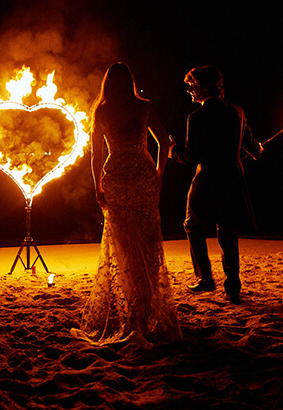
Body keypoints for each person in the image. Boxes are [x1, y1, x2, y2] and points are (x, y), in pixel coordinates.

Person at [72, 62, 182, 345]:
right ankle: (148, 307)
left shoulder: (102, 111)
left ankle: (133, 308)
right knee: (148, 241)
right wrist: (159, 173)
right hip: (143, 175)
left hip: (117, 177)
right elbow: (164, 143)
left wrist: (98, 185)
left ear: (108, 84)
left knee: (123, 246)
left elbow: (96, 155)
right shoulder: (144, 107)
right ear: (129, 82)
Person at [169, 66, 262, 304]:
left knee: (192, 224)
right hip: (232, 177)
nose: (189, 90)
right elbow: (252, 147)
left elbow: (192, 156)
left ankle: (205, 278)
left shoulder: (196, 117)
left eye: (192, 85)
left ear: (205, 86)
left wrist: (172, 151)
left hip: (207, 179)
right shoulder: (237, 112)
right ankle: (233, 286)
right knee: (227, 230)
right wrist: (256, 149)